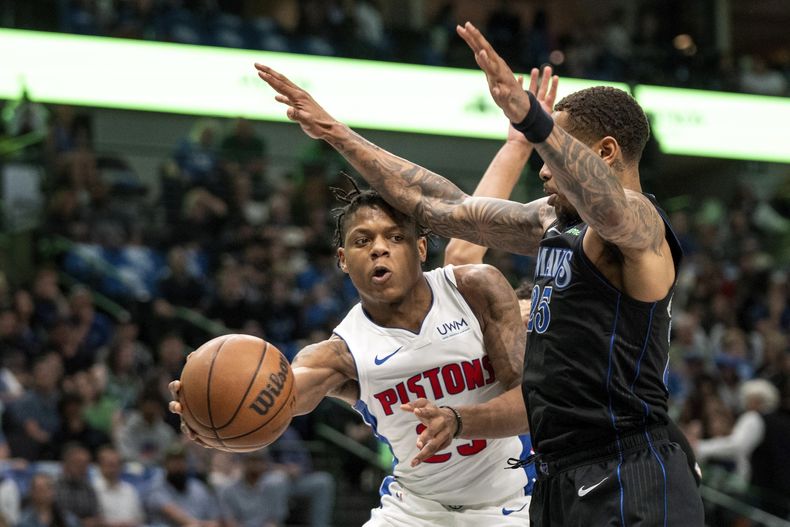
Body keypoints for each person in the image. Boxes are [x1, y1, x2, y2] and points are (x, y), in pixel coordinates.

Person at [253, 20, 704, 525]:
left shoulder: (642, 229)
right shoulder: (551, 221)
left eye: (557, 151)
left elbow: (613, 209)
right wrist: (336, 132)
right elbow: (437, 203)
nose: (544, 170)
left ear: (603, 153)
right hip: (560, 474)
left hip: (630, 466)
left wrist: (535, 121)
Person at [171, 178, 533, 525]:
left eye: (394, 237)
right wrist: (210, 416)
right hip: (414, 509)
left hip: (504, 504)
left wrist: (457, 422)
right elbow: (279, 398)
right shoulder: (341, 355)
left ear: (421, 248)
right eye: (363, 241)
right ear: (343, 259)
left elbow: (528, 407)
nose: (379, 248)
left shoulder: (472, 289)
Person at [93, 445, 146, 527]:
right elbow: (92, 521)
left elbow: (140, 518)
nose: (113, 469)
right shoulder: (92, 489)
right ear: (100, 466)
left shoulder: (129, 489)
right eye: (110, 465)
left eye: (116, 465)